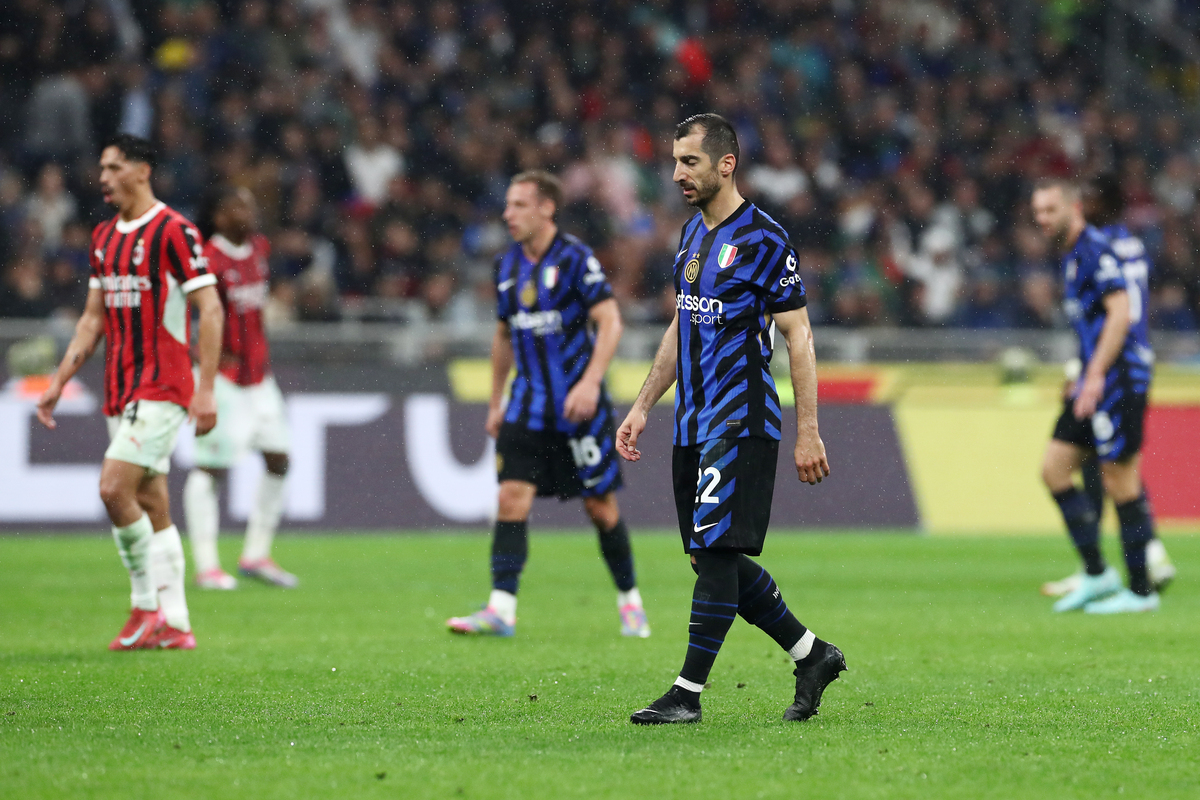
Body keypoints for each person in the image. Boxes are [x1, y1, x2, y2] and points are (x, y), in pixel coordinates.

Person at [617, 114, 845, 725]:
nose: (676, 174)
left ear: (726, 164)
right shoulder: (691, 237)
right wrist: (642, 405)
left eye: (689, 162)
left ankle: (686, 694)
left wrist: (808, 429)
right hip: (691, 423)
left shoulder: (766, 240)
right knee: (709, 557)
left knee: (717, 553)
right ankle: (812, 653)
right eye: (674, 161)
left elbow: (798, 336)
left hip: (739, 422)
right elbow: (680, 325)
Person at [35, 134, 224, 650]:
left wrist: (206, 390)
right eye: (101, 167)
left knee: (113, 489)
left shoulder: (174, 230)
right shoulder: (103, 237)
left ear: (142, 171)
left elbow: (210, 308)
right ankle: (178, 623)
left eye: (113, 166)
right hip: (120, 388)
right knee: (151, 501)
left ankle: (145, 607)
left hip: (163, 385)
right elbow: (92, 320)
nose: (102, 177)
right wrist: (58, 382)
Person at [446, 170, 650, 638]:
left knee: (601, 508)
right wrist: (496, 401)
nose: (507, 214)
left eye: (519, 205)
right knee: (510, 497)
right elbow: (503, 336)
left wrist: (590, 382)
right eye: (508, 204)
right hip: (527, 406)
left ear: (546, 209)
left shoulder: (577, 259)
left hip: (580, 409)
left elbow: (610, 322)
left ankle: (630, 600)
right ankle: (501, 608)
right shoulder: (506, 266)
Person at [1039, 176, 1175, 600]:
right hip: (1093, 380)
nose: (1042, 220)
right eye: (1037, 213)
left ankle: (1140, 592)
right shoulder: (1074, 256)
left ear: (1074, 207)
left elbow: (1121, 313)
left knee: (1120, 479)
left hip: (1117, 379)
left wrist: (1094, 372)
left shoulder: (1095, 249)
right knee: (1055, 468)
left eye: (1050, 210)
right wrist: (1082, 372)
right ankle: (1097, 573)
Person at [184, 186, 297, 590]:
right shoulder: (207, 260)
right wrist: (202, 371)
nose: (248, 212)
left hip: (260, 379)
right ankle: (207, 565)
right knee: (209, 469)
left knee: (280, 460)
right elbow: (187, 314)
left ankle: (255, 555)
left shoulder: (259, 248)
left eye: (250, 204)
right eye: (237, 206)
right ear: (219, 216)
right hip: (224, 380)